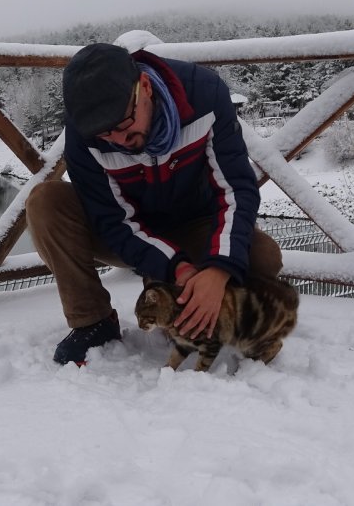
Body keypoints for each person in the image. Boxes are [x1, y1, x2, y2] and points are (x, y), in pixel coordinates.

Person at [26, 42, 283, 365]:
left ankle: (225, 315)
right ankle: (94, 322)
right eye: (106, 135)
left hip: (196, 224)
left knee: (263, 256)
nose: (119, 140)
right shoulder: (84, 134)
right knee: (44, 202)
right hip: (127, 232)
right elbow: (114, 221)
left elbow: (237, 190)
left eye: (123, 124)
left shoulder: (204, 94)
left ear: (144, 87)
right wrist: (178, 268)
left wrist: (218, 271)